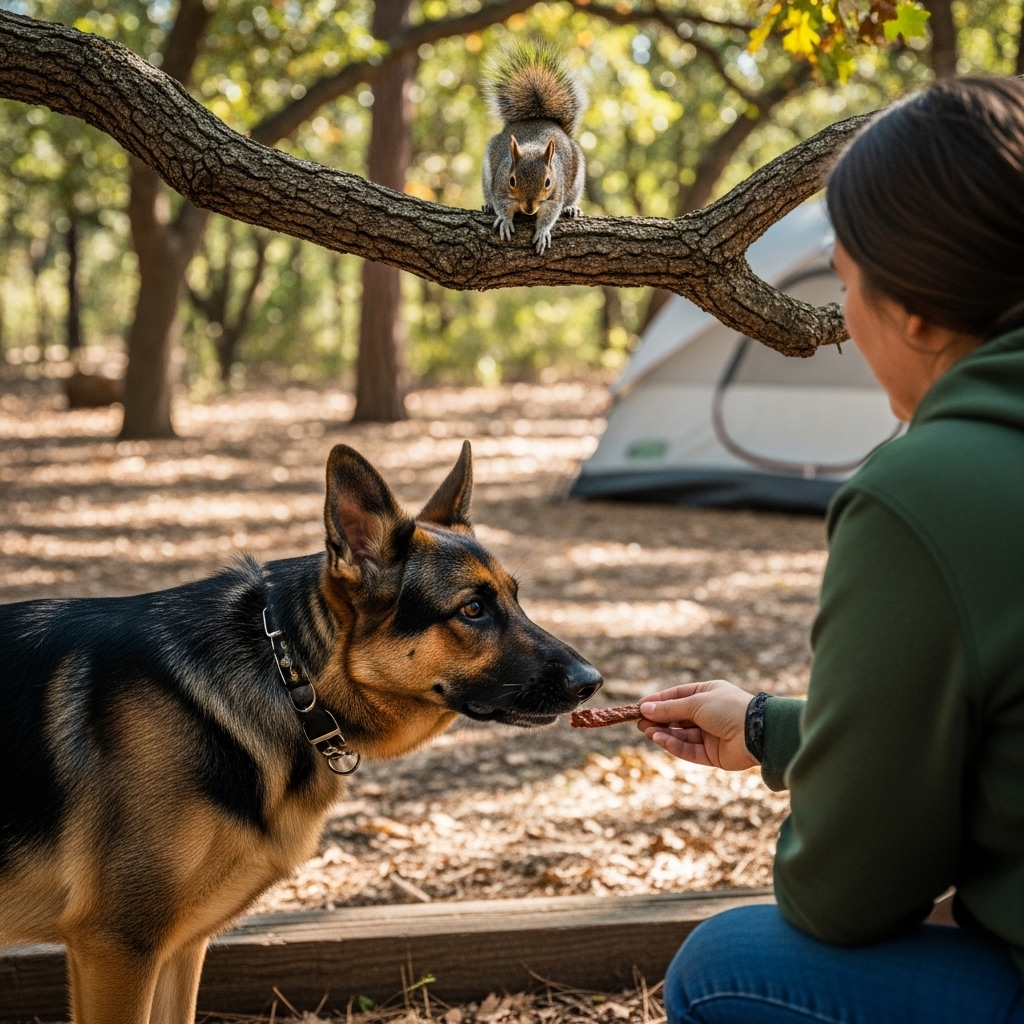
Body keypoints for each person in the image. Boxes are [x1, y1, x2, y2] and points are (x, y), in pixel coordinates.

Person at [636, 76, 1024, 1024]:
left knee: (727, 966)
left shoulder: (927, 494)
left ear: (921, 311)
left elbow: (848, 895)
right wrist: (772, 728)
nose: (844, 316)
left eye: (848, 282)